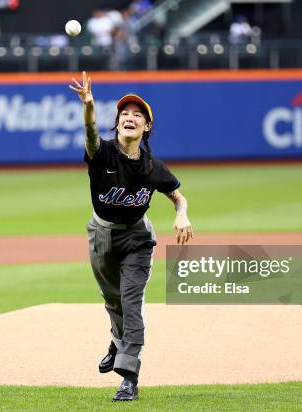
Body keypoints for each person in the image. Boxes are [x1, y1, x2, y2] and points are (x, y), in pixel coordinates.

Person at [69, 72, 194, 401]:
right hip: (101, 236)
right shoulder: (103, 154)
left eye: (137, 114)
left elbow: (178, 195)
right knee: (113, 301)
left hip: (137, 238)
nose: (130, 117)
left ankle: (128, 377)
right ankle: (117, 339)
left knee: (131, 303)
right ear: (118, 123)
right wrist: (89, 106)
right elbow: (90, 133)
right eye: (125, 113)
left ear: (146, 127)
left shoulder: (153, 166)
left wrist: (181, 214)